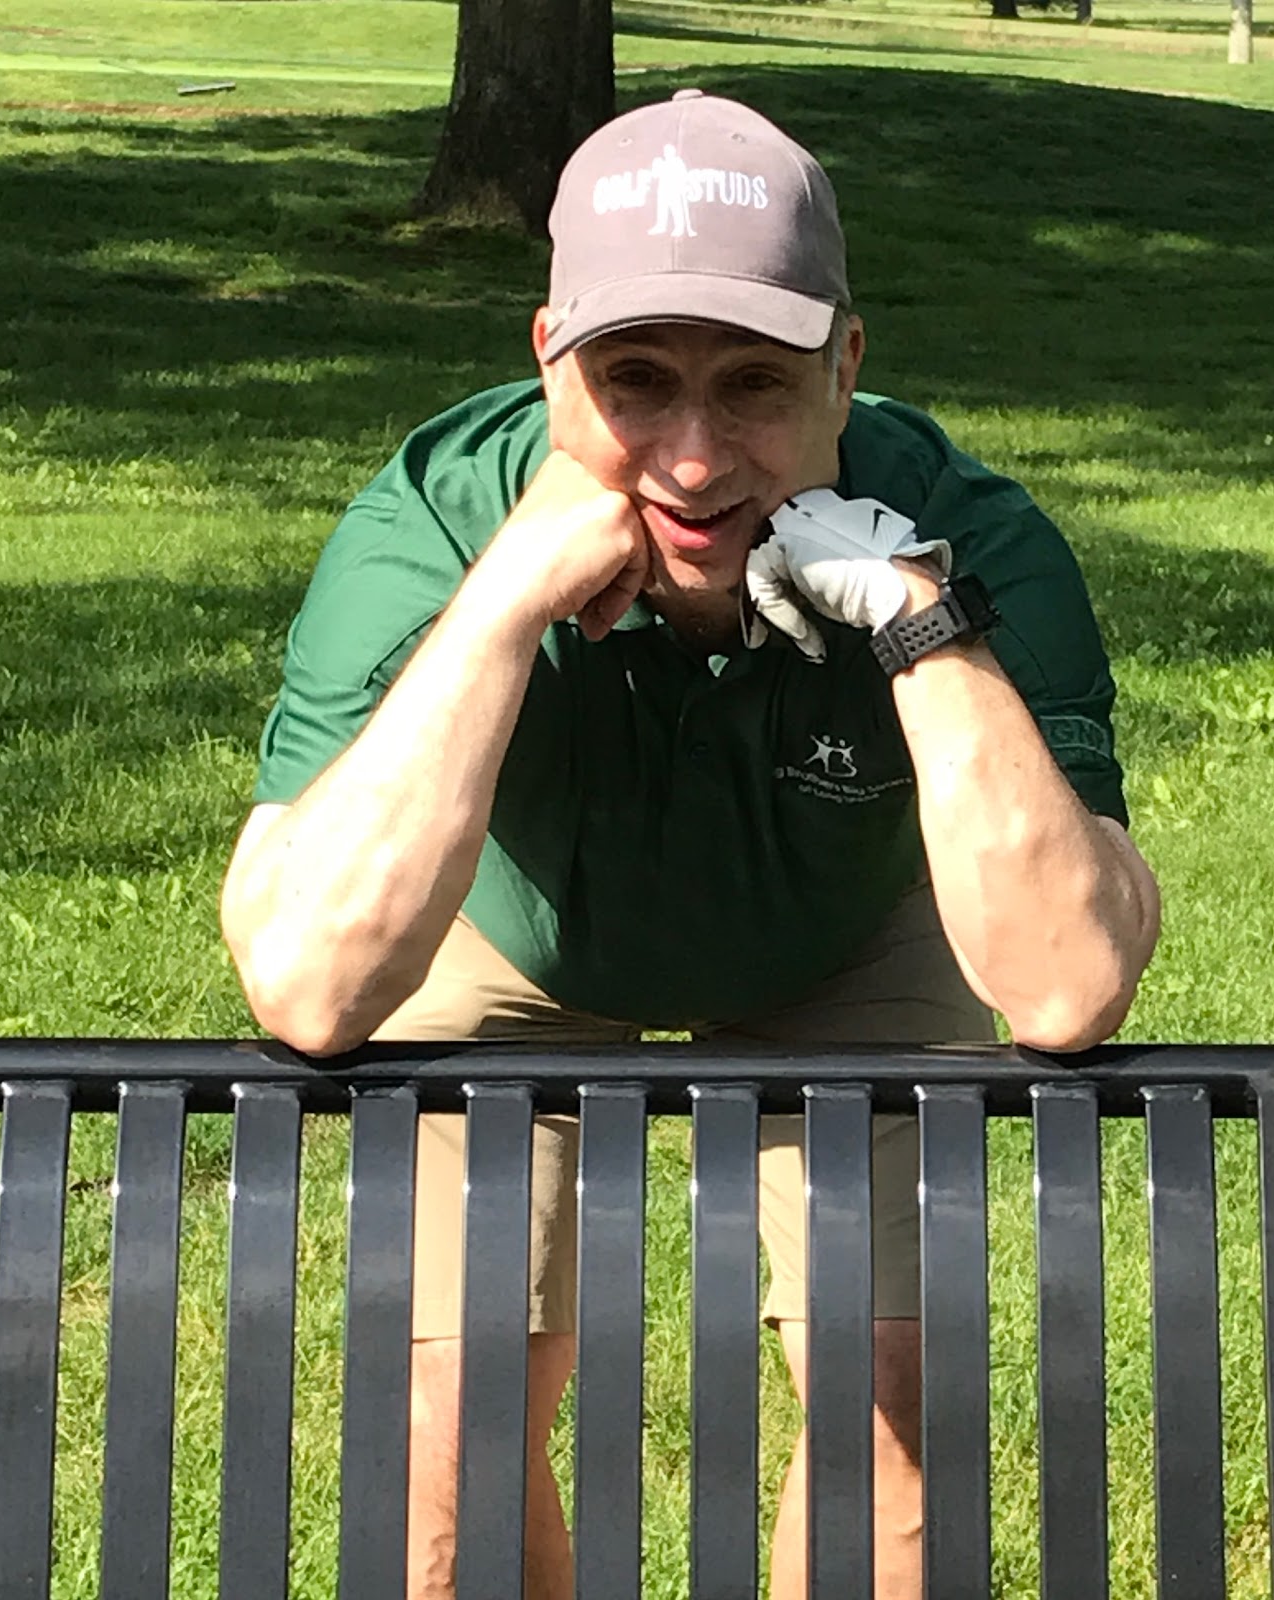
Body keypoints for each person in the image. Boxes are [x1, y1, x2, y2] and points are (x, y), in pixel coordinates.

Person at [221, 89, 1160, 1600]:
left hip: (843, 927)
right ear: (550, 363)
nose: (695, 457)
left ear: (847, 366)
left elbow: (1065, 985)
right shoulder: (434, 520)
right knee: (447, 1416)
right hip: (515, 915)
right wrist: (500, 605)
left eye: (756, 385)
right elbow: (309, 983)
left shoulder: (967, 533)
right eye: (636, 382)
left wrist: (919, 621)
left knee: (894, 1395)